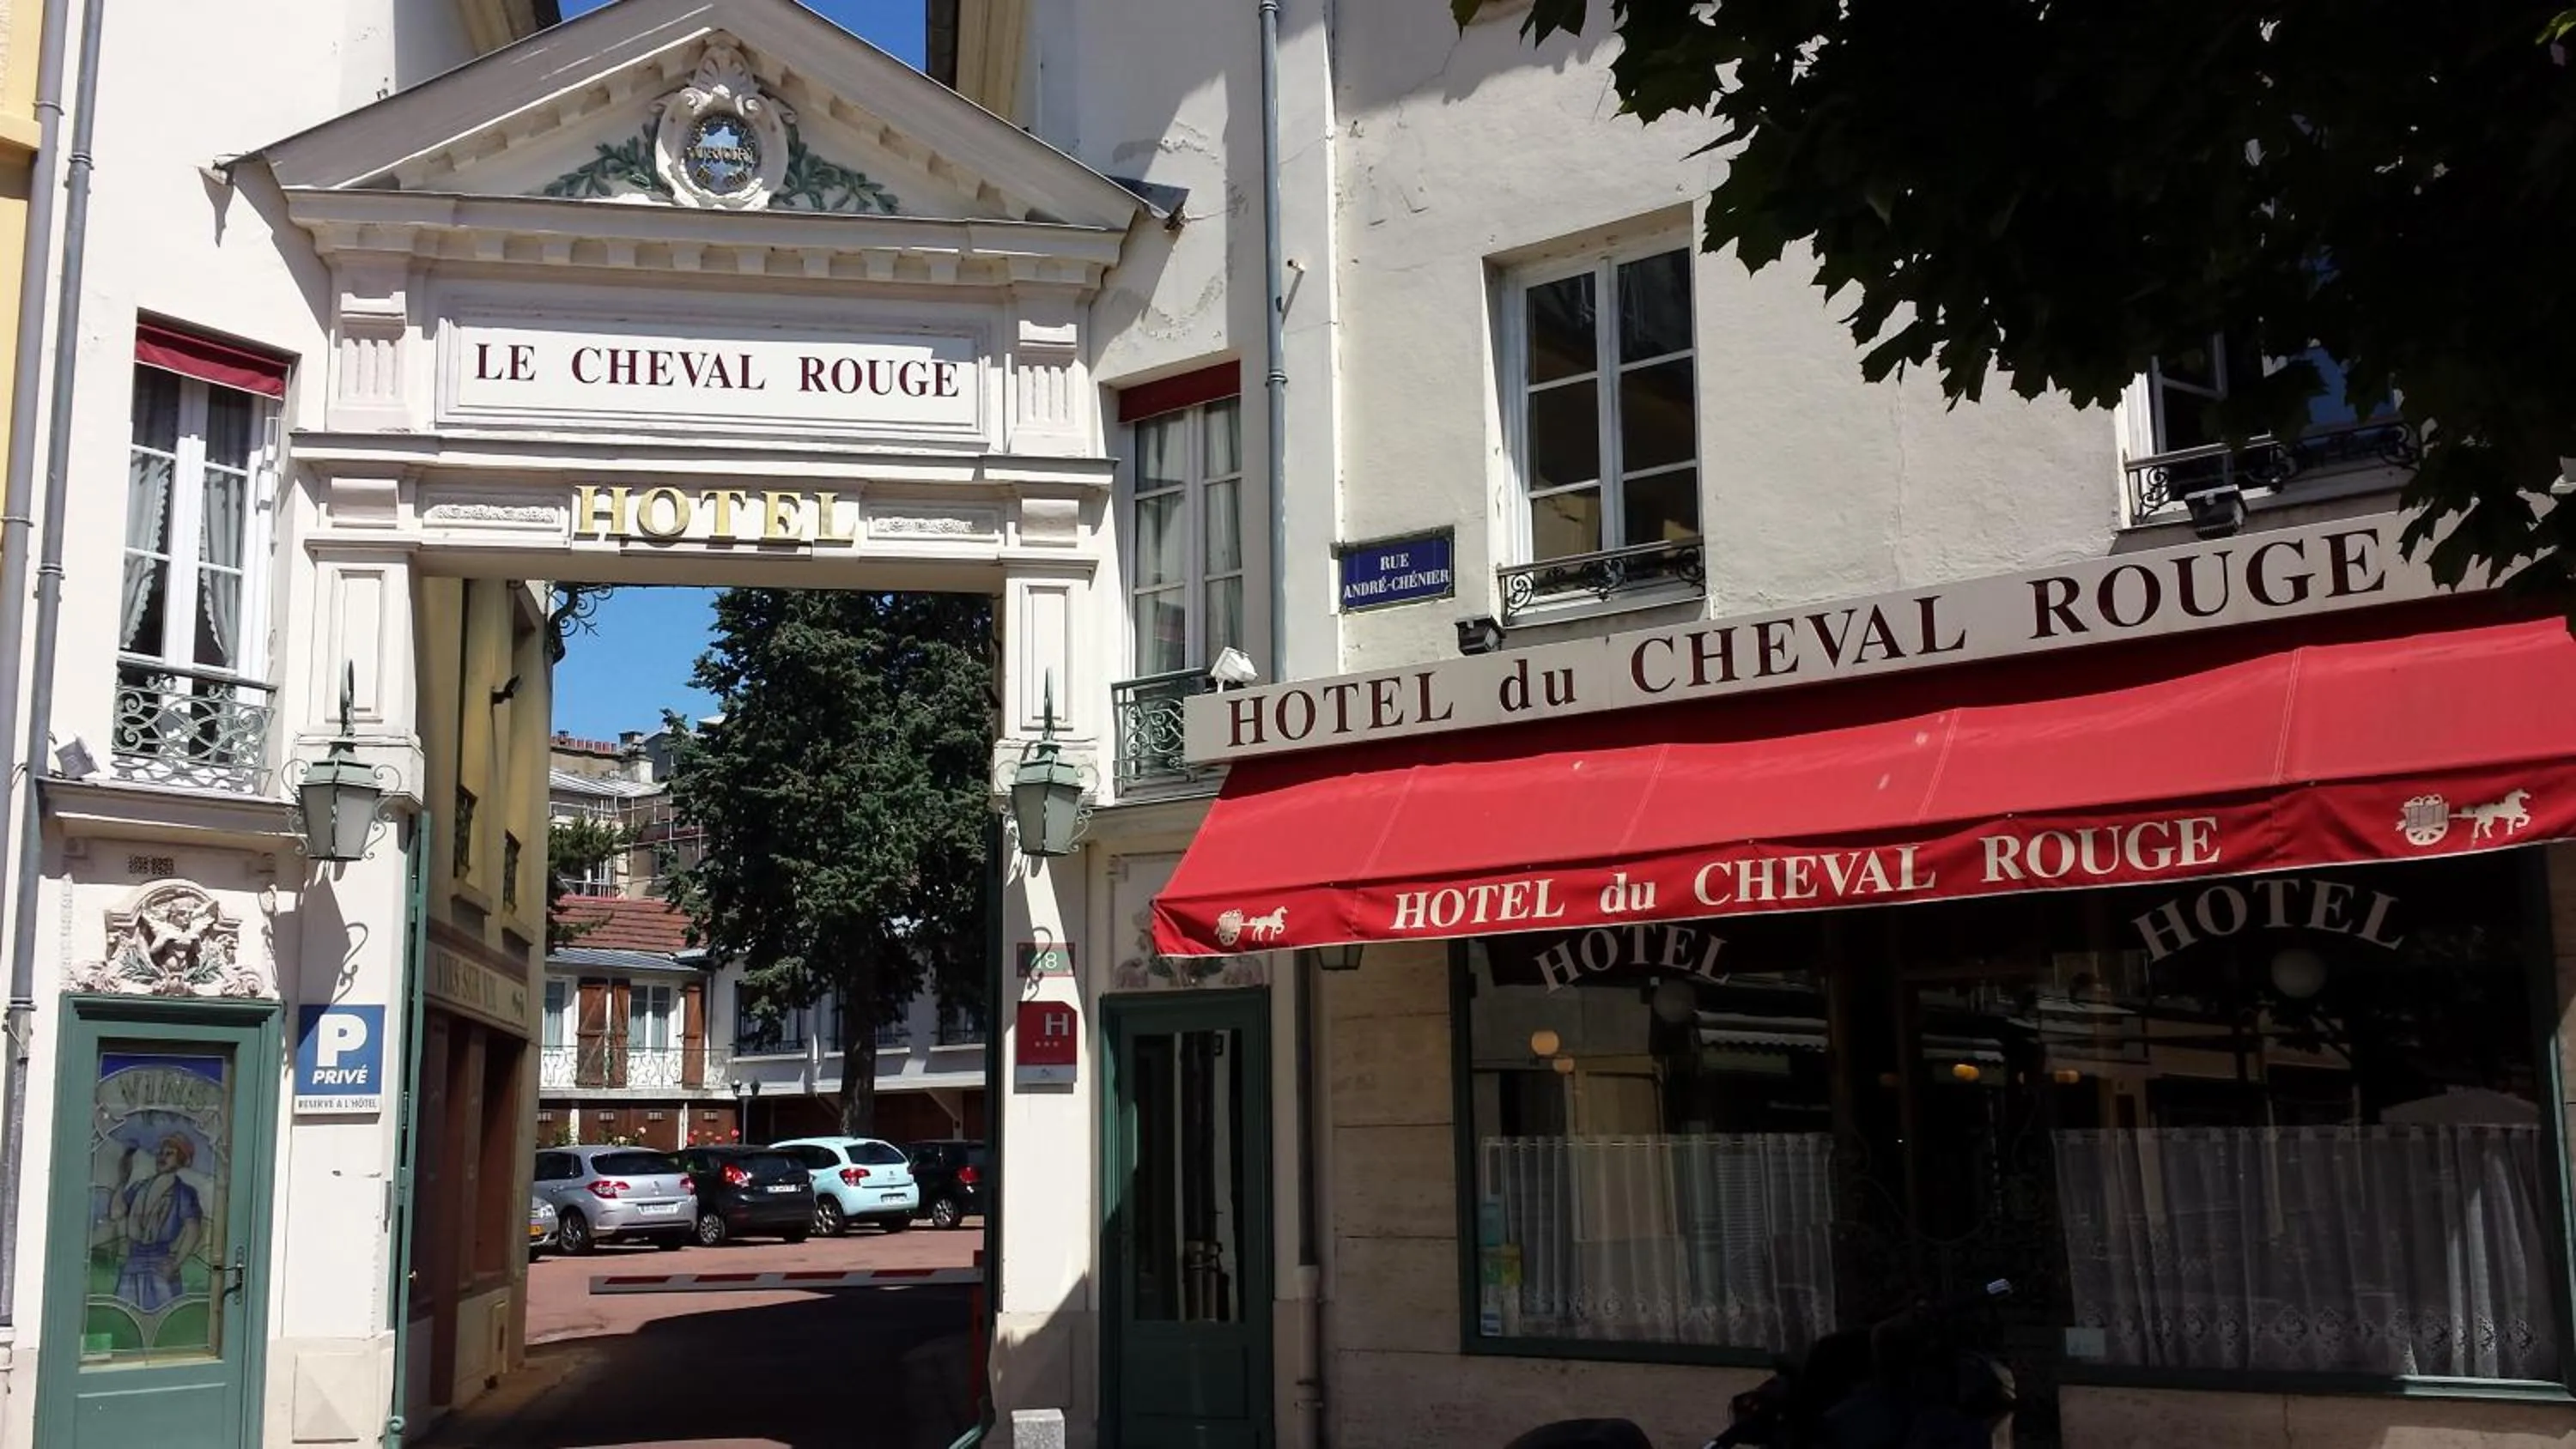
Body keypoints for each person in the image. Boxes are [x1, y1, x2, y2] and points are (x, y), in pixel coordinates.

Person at [108, 1134, 204, 1312]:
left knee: (162, 1315)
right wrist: (123, 1179)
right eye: (161, 1153)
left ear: (181, 1160)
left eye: (169, 1154)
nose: (162, 1157)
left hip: (160, 1266)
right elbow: (116, 1213)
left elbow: (193, 1230)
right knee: (125, 1314)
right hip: (134, 1263)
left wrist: (176, 1264)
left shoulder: (183, 1193)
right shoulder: (140, 1187)